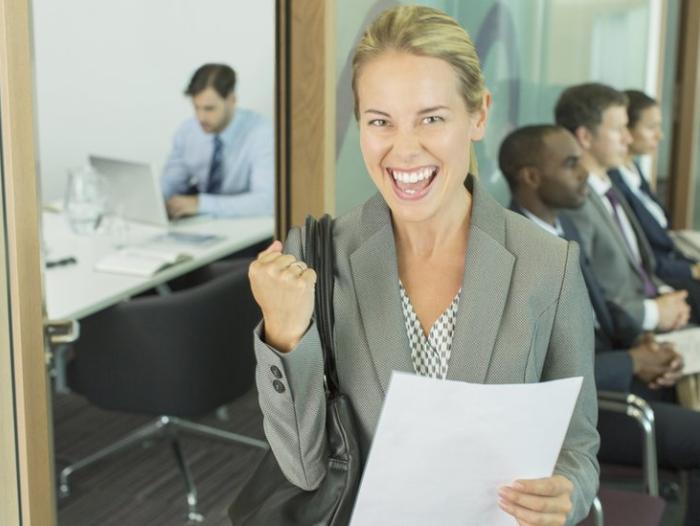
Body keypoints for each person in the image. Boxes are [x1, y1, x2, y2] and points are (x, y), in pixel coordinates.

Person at [248, 6, 598, 525]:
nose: (404, 150)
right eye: (380, 121)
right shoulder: (315, 260)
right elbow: (304, 470)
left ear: (478, 115)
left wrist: (566, 490)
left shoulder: (550, 264)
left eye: (431, 118)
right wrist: (282, 334)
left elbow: (578, 444)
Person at [501, 124, 700, 525]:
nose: (584, 175)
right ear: (532, 176)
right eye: (572, 165)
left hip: (611, 370)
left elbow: (600, 309)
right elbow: (538, 373)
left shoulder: (565, 228)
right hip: (585, 410)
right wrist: (631, 362)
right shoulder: (512, 252)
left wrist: (642, 340)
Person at [555, 83, 691, 332]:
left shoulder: (611, 187)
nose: (628, 139)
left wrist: (667, 296)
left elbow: (641, 268)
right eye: (619, 130)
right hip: (623, 335)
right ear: (585, 137)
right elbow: (589, 296)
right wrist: (655, 313)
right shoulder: (572, 202)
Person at [608, 90, 700, 307]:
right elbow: (642, 254)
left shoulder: (634, 172)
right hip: (659, 277)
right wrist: (692, 270)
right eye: (651, 127)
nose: (660, 135)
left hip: (676, 265)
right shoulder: (612, 184)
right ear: (626, 129)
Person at [161, 63, 273, 219]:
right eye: (196, 107)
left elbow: (266, 202)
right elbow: (170, 184)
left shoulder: (261, 133)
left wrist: (201, 204)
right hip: (201, 224)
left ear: (232, 100)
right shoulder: (188, 131)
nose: (200, 117)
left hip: (245, 225)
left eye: (209, 109)